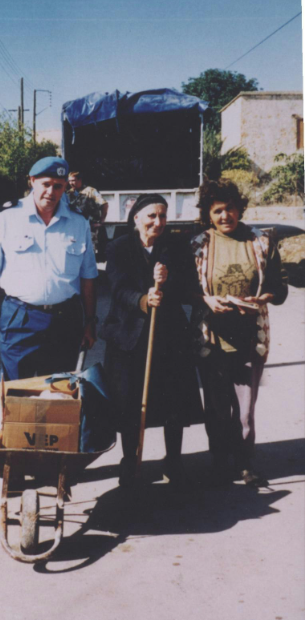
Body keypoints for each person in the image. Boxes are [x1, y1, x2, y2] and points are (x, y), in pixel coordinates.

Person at [100, 194, 204, 488]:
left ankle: (174, 460)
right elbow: (118, 288)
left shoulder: (174, 248)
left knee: (174, 402)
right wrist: (144, 299)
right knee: (129, 404)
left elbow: (186, 288)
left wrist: (168, 279)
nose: (158, 222)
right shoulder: (119, 247)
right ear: (136, 218)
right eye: (151, 216)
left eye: (162, 216)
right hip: (128, 337)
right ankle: (131, 461)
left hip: (169, 336)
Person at [191, 178, 288, 487]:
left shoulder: (260, 241)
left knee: (245, 412)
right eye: (218, 210)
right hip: (212, 340)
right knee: (217, 410)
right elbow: (187, 290)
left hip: (250, 339)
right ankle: (220, 462)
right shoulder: (198, 245)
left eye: (230, 209)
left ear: (240, 209)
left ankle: (244, 463)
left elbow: (278, 287)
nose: (225, 217)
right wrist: (205, 300)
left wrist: (264, 299)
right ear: (208, 214)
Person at [0, 157, 98, 380]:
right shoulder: (6, 217)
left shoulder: (79, 223)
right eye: (46, 184)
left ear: (65, 188)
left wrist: (89, 322)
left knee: (58, 393)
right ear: (32, 181)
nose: (51, 192)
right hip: (21, 318)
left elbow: (88, 277)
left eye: (58, 186)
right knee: (16, 391)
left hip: (65, 320)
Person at [67, 171, 108, 257]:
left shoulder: (90, 191)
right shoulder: (69, 193)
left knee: (89, 251)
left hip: (90, 225)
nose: (71, 183)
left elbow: (104, 204)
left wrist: (102, 220)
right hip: (75, 227)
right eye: (69, 181)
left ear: (80, 180)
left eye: (73, 180)